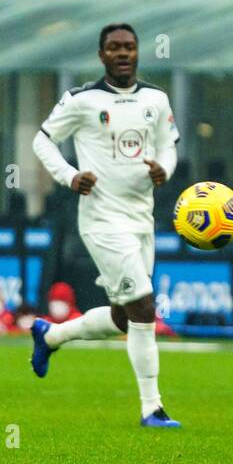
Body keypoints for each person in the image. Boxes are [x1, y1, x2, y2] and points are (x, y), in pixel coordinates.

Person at [29, 23, 183, 428]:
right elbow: (42, 140)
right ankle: (152, 407)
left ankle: (50, 336)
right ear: (101, 55)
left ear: (137, 52)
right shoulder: (82, 100)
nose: (122, 53)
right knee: (145, 305)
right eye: (113, 47)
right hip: (101, 220)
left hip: (140, 220)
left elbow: (168, 145)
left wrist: (163, 168)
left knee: (124, 315)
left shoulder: (156, 98)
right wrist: (69, 176)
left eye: (129, 47)